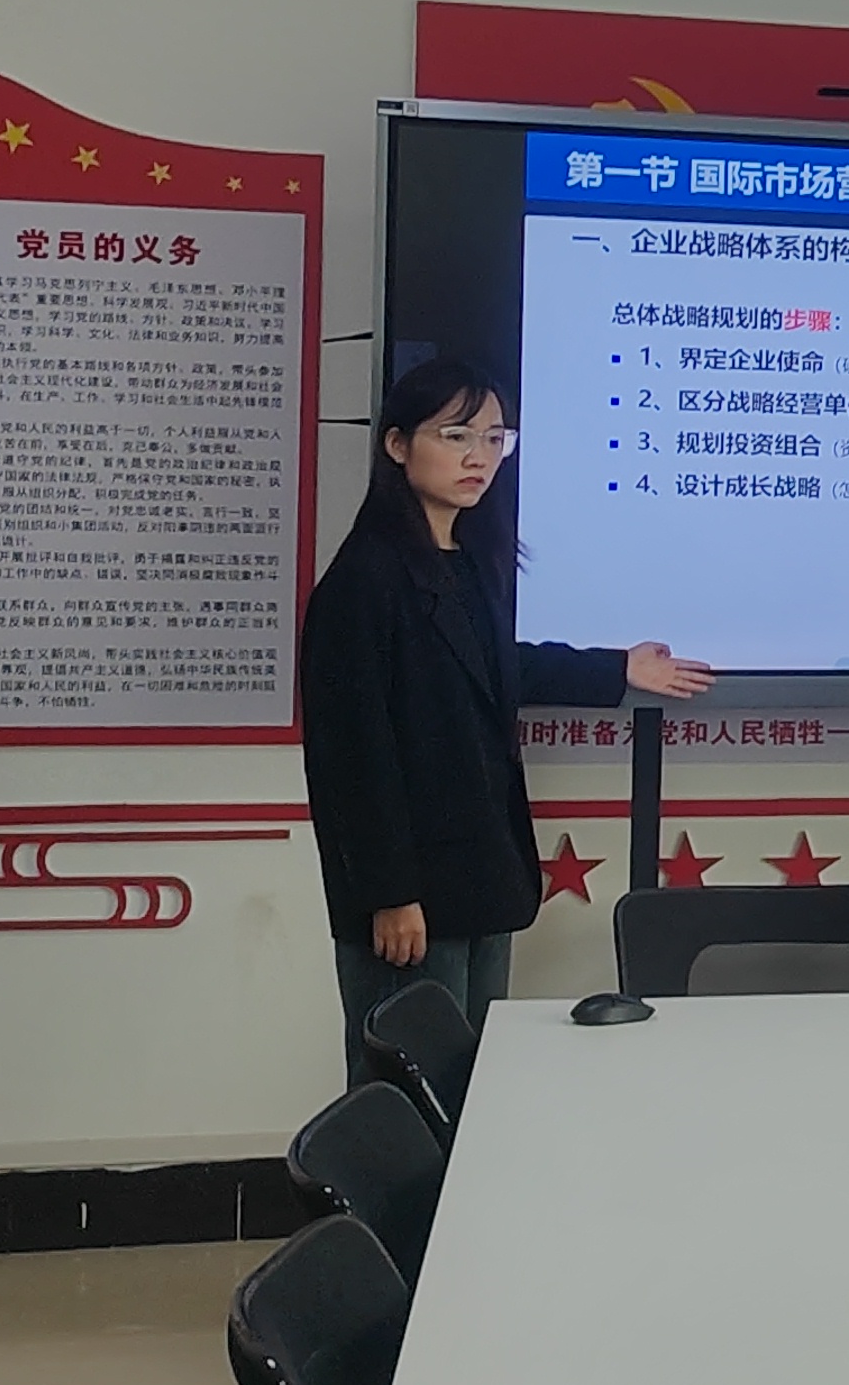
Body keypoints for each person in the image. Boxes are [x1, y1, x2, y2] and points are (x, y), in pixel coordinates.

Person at [298, 357, 712, 1075]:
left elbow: (498, 665)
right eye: (456, 435)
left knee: (473, 1079)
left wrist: (616, 668)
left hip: (479, 874)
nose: (479, 457)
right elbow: (351, 755)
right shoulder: (364, 580)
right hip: (412, 896)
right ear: (397, 445)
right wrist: (389, 895)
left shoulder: (463, 559)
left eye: (495, 439)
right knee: (411, 1088)